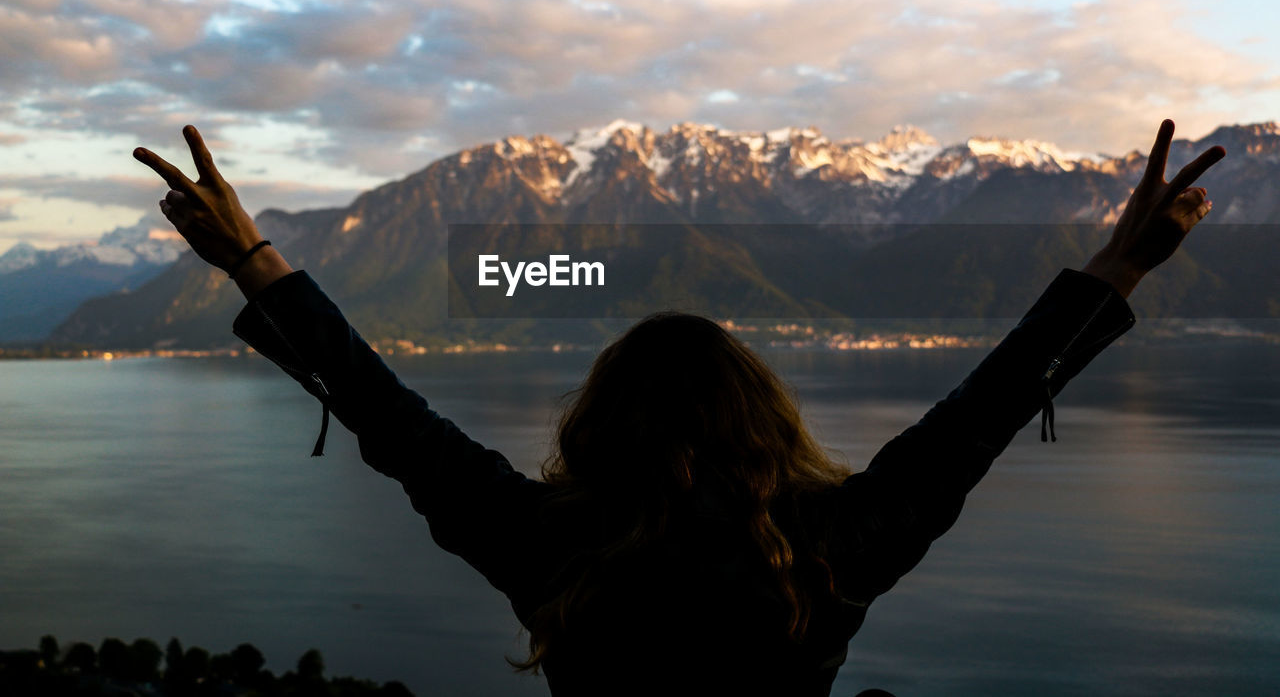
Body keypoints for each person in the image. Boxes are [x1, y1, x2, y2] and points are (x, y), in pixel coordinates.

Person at [134, 120, 1223, 696]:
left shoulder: (550, 546)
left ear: (597, 420)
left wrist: (255, 261)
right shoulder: (828, 549)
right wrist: (1116, 268)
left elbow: (384, 411)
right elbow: (980, 412)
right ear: (765, 415)